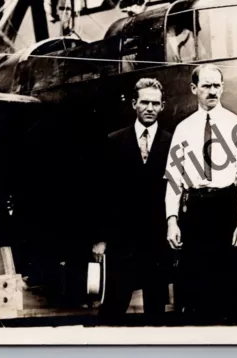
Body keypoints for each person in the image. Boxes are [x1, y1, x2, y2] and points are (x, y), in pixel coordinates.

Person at [164, 64, 237, 326]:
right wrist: (172, 221)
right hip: (194, 211)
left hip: (227, 208)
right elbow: (173, 180)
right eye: (206, 85)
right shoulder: (183, 129)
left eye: (217, 85)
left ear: (223, 87)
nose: (212, 91)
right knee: (194, 287)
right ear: (194, 89)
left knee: (231, 287)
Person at [95, 77, 173, 326]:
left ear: (162, 106)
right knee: (112, 309)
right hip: (122, 240)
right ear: (133, 104)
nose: (150, 108)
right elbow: (101, 193)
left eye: (155, 103)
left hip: (157, 240)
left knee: (156, 310)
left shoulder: (172, 143)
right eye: (145, 102)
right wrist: (100, 238)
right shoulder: (114, 141)